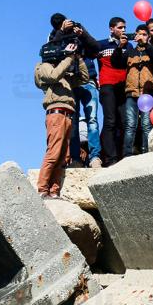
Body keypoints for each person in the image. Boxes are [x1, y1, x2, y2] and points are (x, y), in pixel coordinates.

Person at [34, 39, 89, 198]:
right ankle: (42, 189)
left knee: (64, 155)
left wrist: (78, 58)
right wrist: (68, 58)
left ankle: (54, 190)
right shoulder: (43, 67)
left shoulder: (65, 69)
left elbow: (84, 78)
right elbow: (53, 75)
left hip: (68, 114)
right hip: (56, 113)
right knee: (54, 152)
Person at [49, 14, 101, 168]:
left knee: (92, 120)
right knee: (73, 123)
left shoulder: (78, 31)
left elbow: (95, 49)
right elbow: (51, 53)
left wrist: (82, 34)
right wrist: (61, 33)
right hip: (70, 82)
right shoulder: (55, 36)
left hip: (88, 80)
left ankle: (95, 157)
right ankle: (75, 158)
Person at [113, 24, 153, 156]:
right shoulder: (130, 52)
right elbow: (116, 63)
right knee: (130, 125)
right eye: (139, 34)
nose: (141, 37)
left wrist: (146, 45)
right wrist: (120, 46)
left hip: (148, 93)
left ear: (148, 36)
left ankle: (147, 154)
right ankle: (127, 155)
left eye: (144, 34)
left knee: (147, 125)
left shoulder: (152, 50)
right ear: (134, 35)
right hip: (132, 92)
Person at [96, 17, 129, 166]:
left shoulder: (129, 45)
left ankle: (122, 156)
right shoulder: (101, 44)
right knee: (110, 121)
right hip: (107, 86)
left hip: (124, 86)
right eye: (120, 27)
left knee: (124, 122)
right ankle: (110, 159)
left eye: (124, 28)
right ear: (111, 29)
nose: (123, 30)